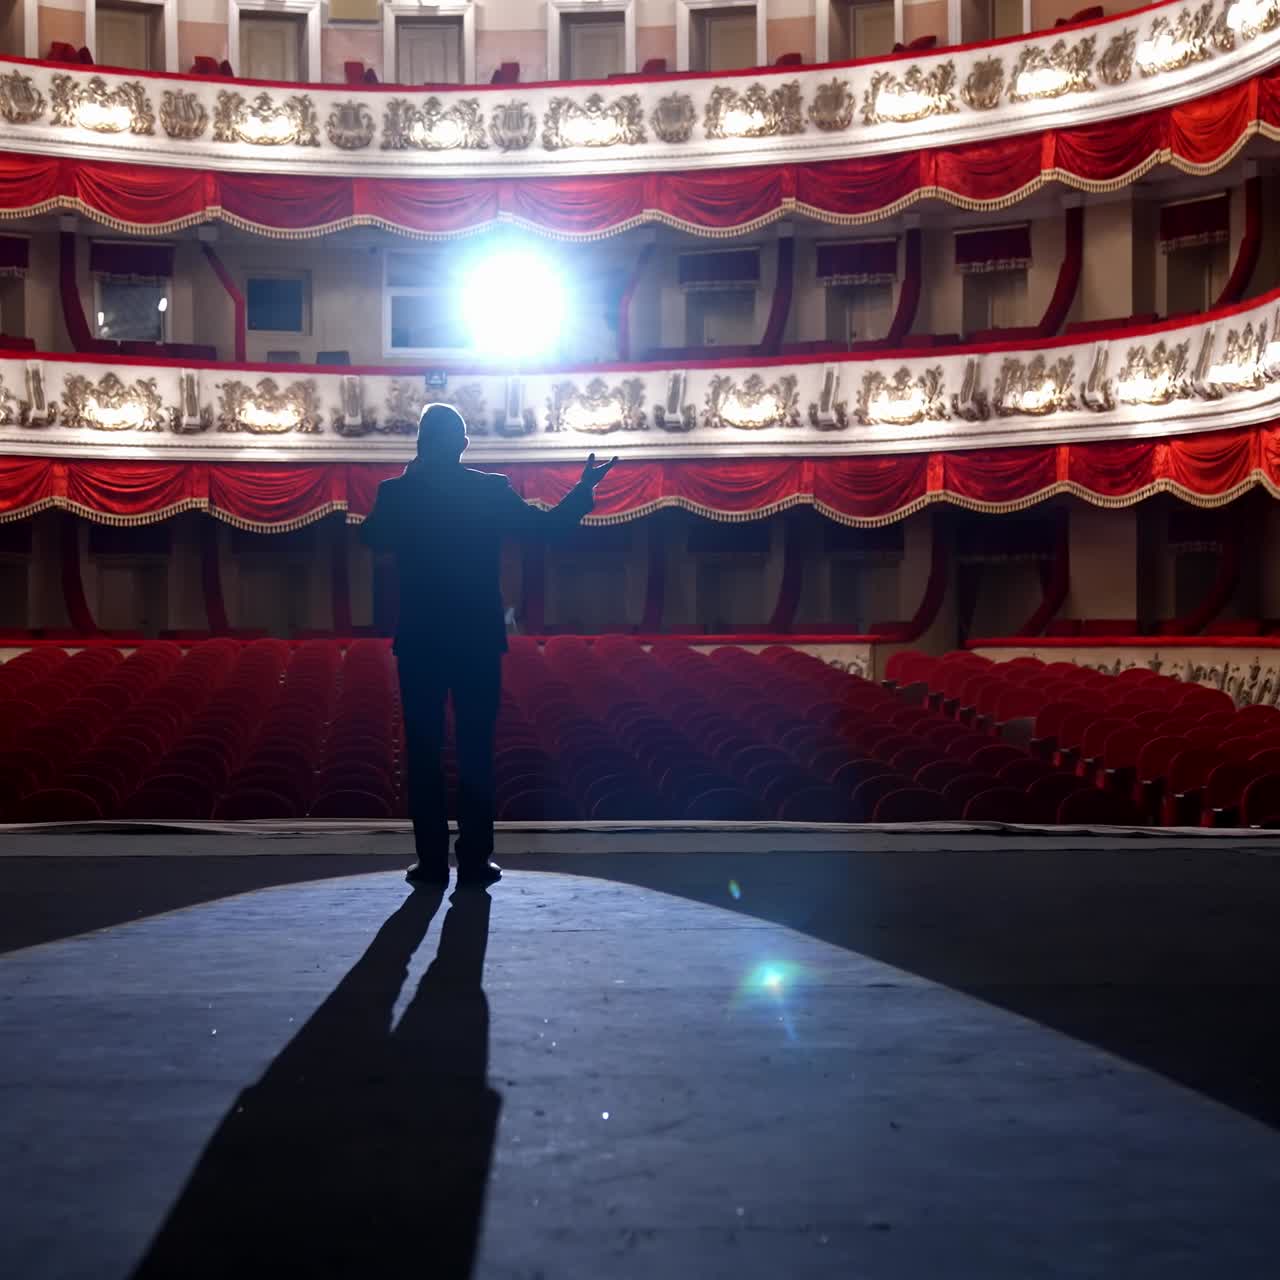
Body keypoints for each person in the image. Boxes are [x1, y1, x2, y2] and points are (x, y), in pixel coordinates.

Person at [359, 402, 616, 889]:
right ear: (463, 445)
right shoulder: (489, 489)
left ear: (420, 444)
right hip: (476, 639)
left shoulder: (397, 492)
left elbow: (371, 538)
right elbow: (547, 529)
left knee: (424, 753)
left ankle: (431, 865)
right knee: (476, 750)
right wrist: (584, 489)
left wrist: (411, 476)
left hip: (421, 641)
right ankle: (475, 862)